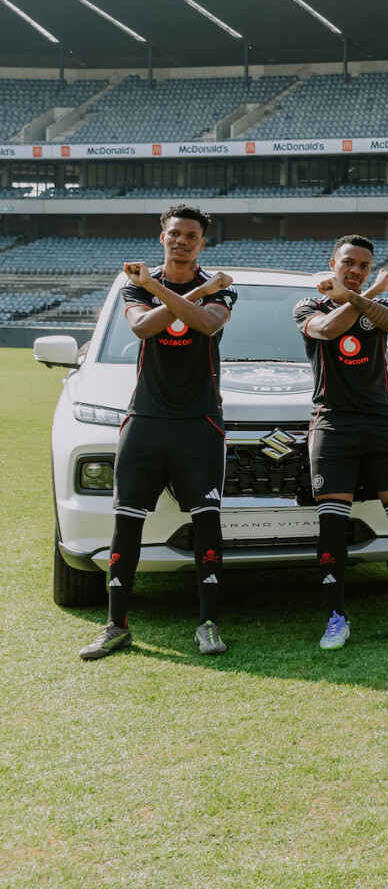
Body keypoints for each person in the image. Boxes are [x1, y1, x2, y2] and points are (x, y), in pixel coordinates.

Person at [81, 205, 238, 660]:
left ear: (202, 243)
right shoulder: (139, 285)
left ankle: (207, 623)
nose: (182, 241)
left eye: (191, 235)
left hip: (199, 421)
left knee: (206, 523)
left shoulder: (222, 291)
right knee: (126, 523)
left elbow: (205, 324)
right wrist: (164, 287)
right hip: (146, 418)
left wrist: (169, 289)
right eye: (175, 233)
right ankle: (116, 626)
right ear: (162, 237)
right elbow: (143, 326)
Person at [293, 234, 388, 649]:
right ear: (333, 262)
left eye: (364, 266)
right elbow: (327, 329)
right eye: (350, 263)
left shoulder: (384, 309)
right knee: (332, 526)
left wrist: (361, 296)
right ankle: (336, 618)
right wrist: (370, 291)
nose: (357, 271)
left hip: (383, 424)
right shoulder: (308, 306)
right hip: (333, 425)